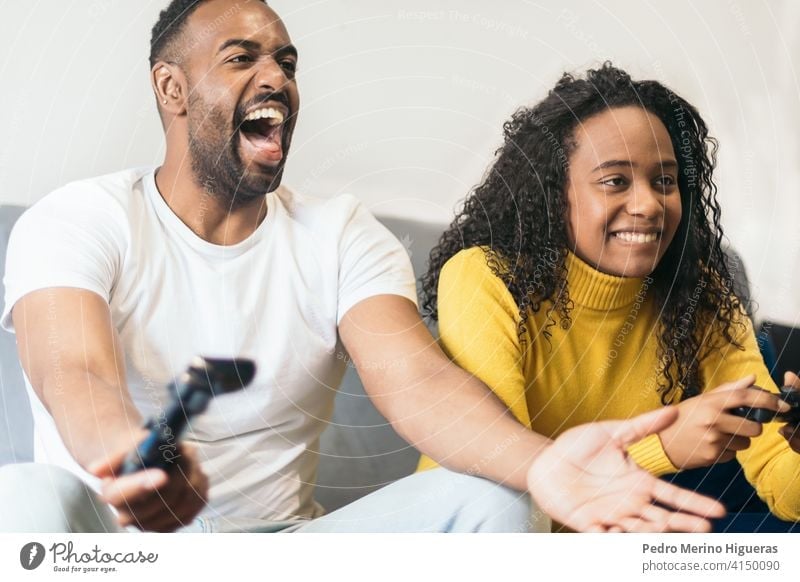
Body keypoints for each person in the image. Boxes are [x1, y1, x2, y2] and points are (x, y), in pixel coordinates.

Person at [0, 2, 723, 534]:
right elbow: (76, 372)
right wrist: (136, 458)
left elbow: (417, 380)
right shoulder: (80, 219)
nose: (275, 77)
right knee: (22, 499)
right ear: (173, 90)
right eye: (241, 57)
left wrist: (541, 464)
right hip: (113, 549)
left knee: (494, 497)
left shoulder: (339, 233)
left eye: (285, 61)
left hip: (285, 552)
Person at [417, 63, 800, 529]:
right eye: (615, 181)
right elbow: (503, 491)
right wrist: (663, 447)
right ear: (553, 194)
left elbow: (783, 486)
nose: (649, 205)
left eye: (665, 181)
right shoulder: (487, 276)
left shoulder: (697, 287)